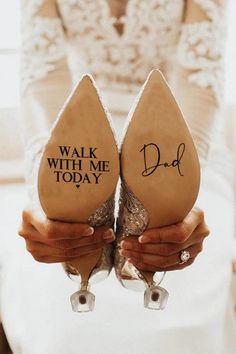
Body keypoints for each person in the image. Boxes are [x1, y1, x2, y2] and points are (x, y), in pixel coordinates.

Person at [2, 0, 236, 353]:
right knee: (62, 318)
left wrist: (181, 185)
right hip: (81, 140)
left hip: (177, 140)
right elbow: (43, 78)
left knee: (181, 311)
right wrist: (48, 187)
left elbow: (199, 80)